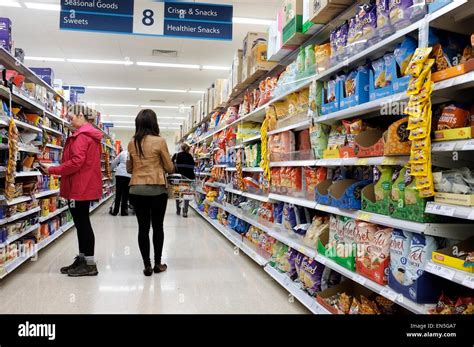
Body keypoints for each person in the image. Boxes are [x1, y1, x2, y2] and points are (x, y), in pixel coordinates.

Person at [41, 105, 102, 277]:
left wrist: (53, 169)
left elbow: (76, 162)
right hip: (81, 186)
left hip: (79, 187)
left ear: (81, 115)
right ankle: (83, 259)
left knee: (82, 224)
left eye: (71, 117)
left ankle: (89, 264)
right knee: (81, 223)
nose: (69, 120)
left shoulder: (82, 136)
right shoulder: (85, 135)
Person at [127, 109, 174, 276]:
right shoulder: (160, 141)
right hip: (157, 189)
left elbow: (129, 168)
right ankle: (157, 264)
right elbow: (169, 167)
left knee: (143, 228)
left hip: (136, 189)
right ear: (154, 123)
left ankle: (146, 265)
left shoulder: (132, 143)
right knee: (158, 227)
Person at [172, 142, 195, 218]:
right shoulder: (190, 156)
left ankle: (178, 210)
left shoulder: (176, 155)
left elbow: (171, 165)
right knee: (186, 194)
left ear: (181, 148)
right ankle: (185, 212)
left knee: (178, 193)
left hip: (178, 178)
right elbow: (193, 167)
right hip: (188, 178)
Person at [110, 145, 131, 216]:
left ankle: (115, 211)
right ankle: (123, 212)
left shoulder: (122, 153)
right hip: (128, 175)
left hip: (119, 174)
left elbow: (115, 162)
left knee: (118, 193)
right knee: (125, 194)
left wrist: (111, 169)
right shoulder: (133, 154)